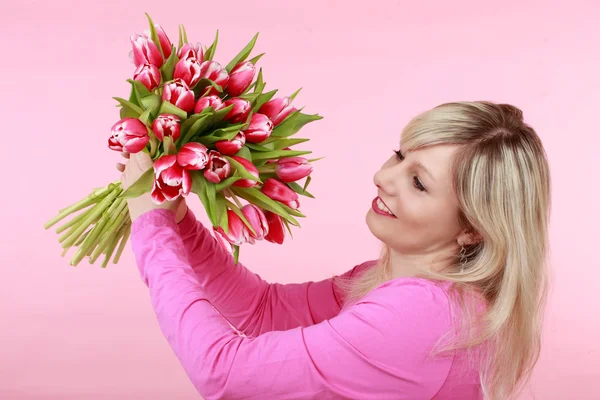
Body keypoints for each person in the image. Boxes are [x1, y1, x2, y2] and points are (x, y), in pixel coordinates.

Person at [118, 101, 551, 400]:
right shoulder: (403, 286)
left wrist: (152, 229)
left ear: (473, 229)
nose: (385, 178)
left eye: (418, 182)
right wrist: (177, 219)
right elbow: (263, 310)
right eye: (399, 156)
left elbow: (224, 376)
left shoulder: (420, 314)